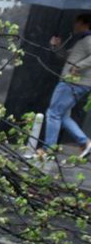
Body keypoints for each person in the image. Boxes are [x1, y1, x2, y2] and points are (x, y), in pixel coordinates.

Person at [39, 13, 91, 160]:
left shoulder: (88, 39)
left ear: (83, 23)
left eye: (76, 22)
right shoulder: (82, 41)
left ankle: (48, 150)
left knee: (53, 113)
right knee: (62, 115)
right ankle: (85, 142)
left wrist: (78, 66)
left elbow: (75, 63)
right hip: (76, 83)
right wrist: (57, 46)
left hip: (73, 83)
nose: (74, 25)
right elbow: (66, 58)